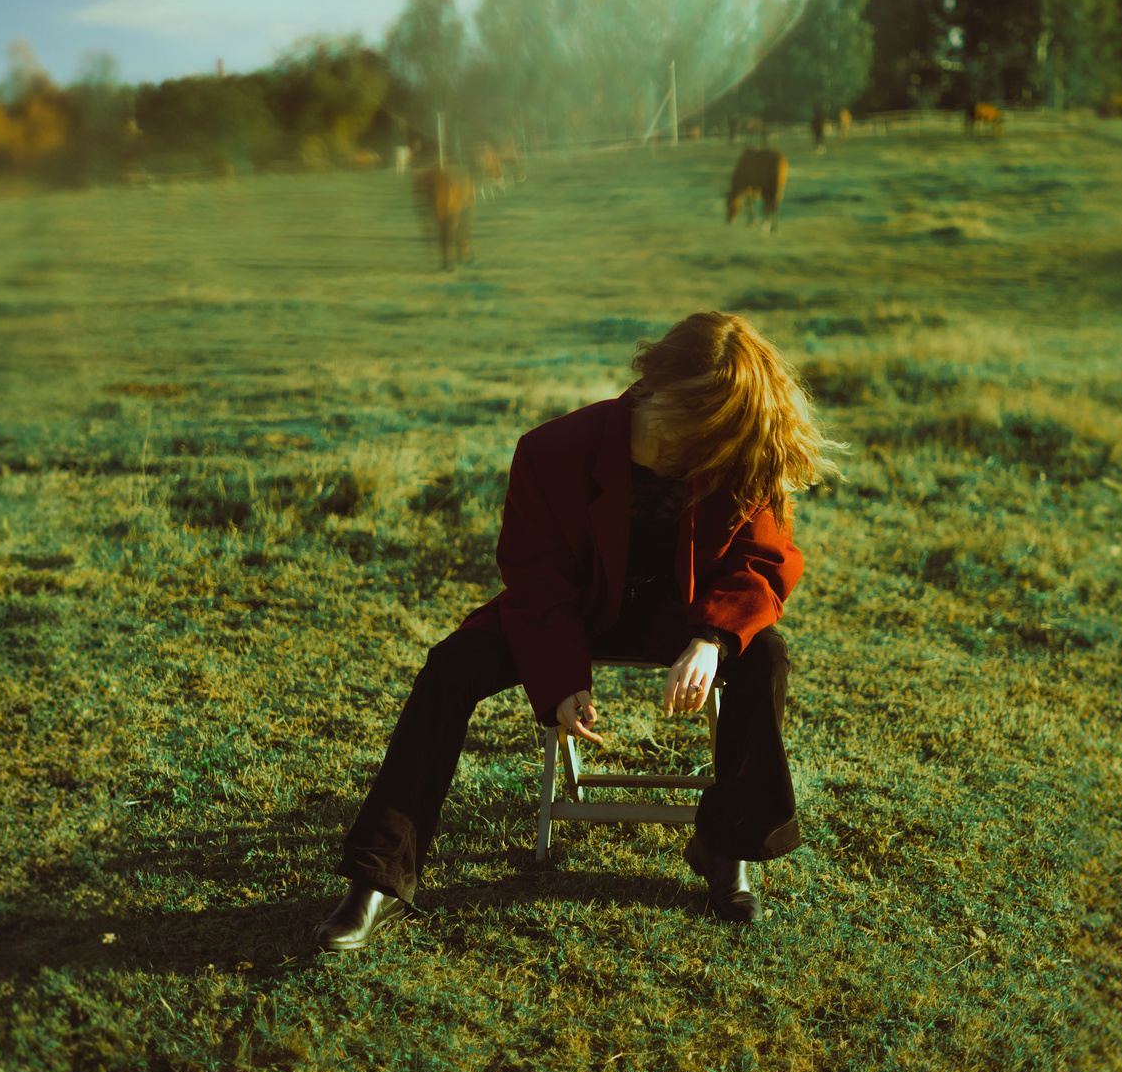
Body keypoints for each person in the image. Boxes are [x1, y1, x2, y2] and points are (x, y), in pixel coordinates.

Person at [312, 311, 841, 951]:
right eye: (685, 427)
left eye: (708, 436)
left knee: (766, 659)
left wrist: (711, 639)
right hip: (572, 614)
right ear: (650, 388)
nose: (692, 451)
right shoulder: (551, 450)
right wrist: (561, 678)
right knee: (450, 667)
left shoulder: (734, 450)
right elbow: (535, 578)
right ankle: (378, 879)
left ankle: (725, 846)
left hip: (686, 619)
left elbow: (762, 561)